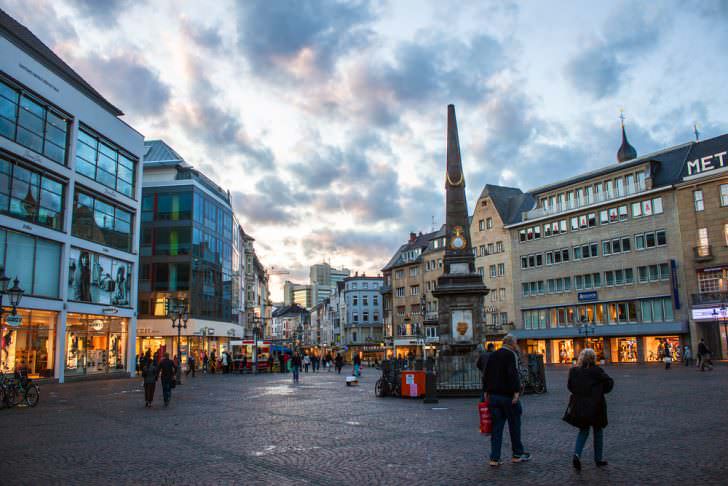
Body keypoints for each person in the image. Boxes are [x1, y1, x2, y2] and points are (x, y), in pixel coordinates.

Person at [483, 334, 531, 467]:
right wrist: (516, 392)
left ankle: (494, 457)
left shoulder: (493, 355)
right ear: (512, 343)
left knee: (496, 428)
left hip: (493, 396)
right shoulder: (511, 355)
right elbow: (513, 374)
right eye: (516, 343)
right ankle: (517, 454)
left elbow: (486, 374)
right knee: (514, 425)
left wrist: (486, 391)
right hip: (507, 396)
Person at [565, 348, 614, 470]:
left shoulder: (574, 371)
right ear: (593, 358)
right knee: (598, 431)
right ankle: (598, 459)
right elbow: (609, 383)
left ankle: (577, 454)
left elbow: (570, 387)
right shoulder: (597, 371)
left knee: (583, 431)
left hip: (580, 406)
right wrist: (600, 390)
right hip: (596, 405)